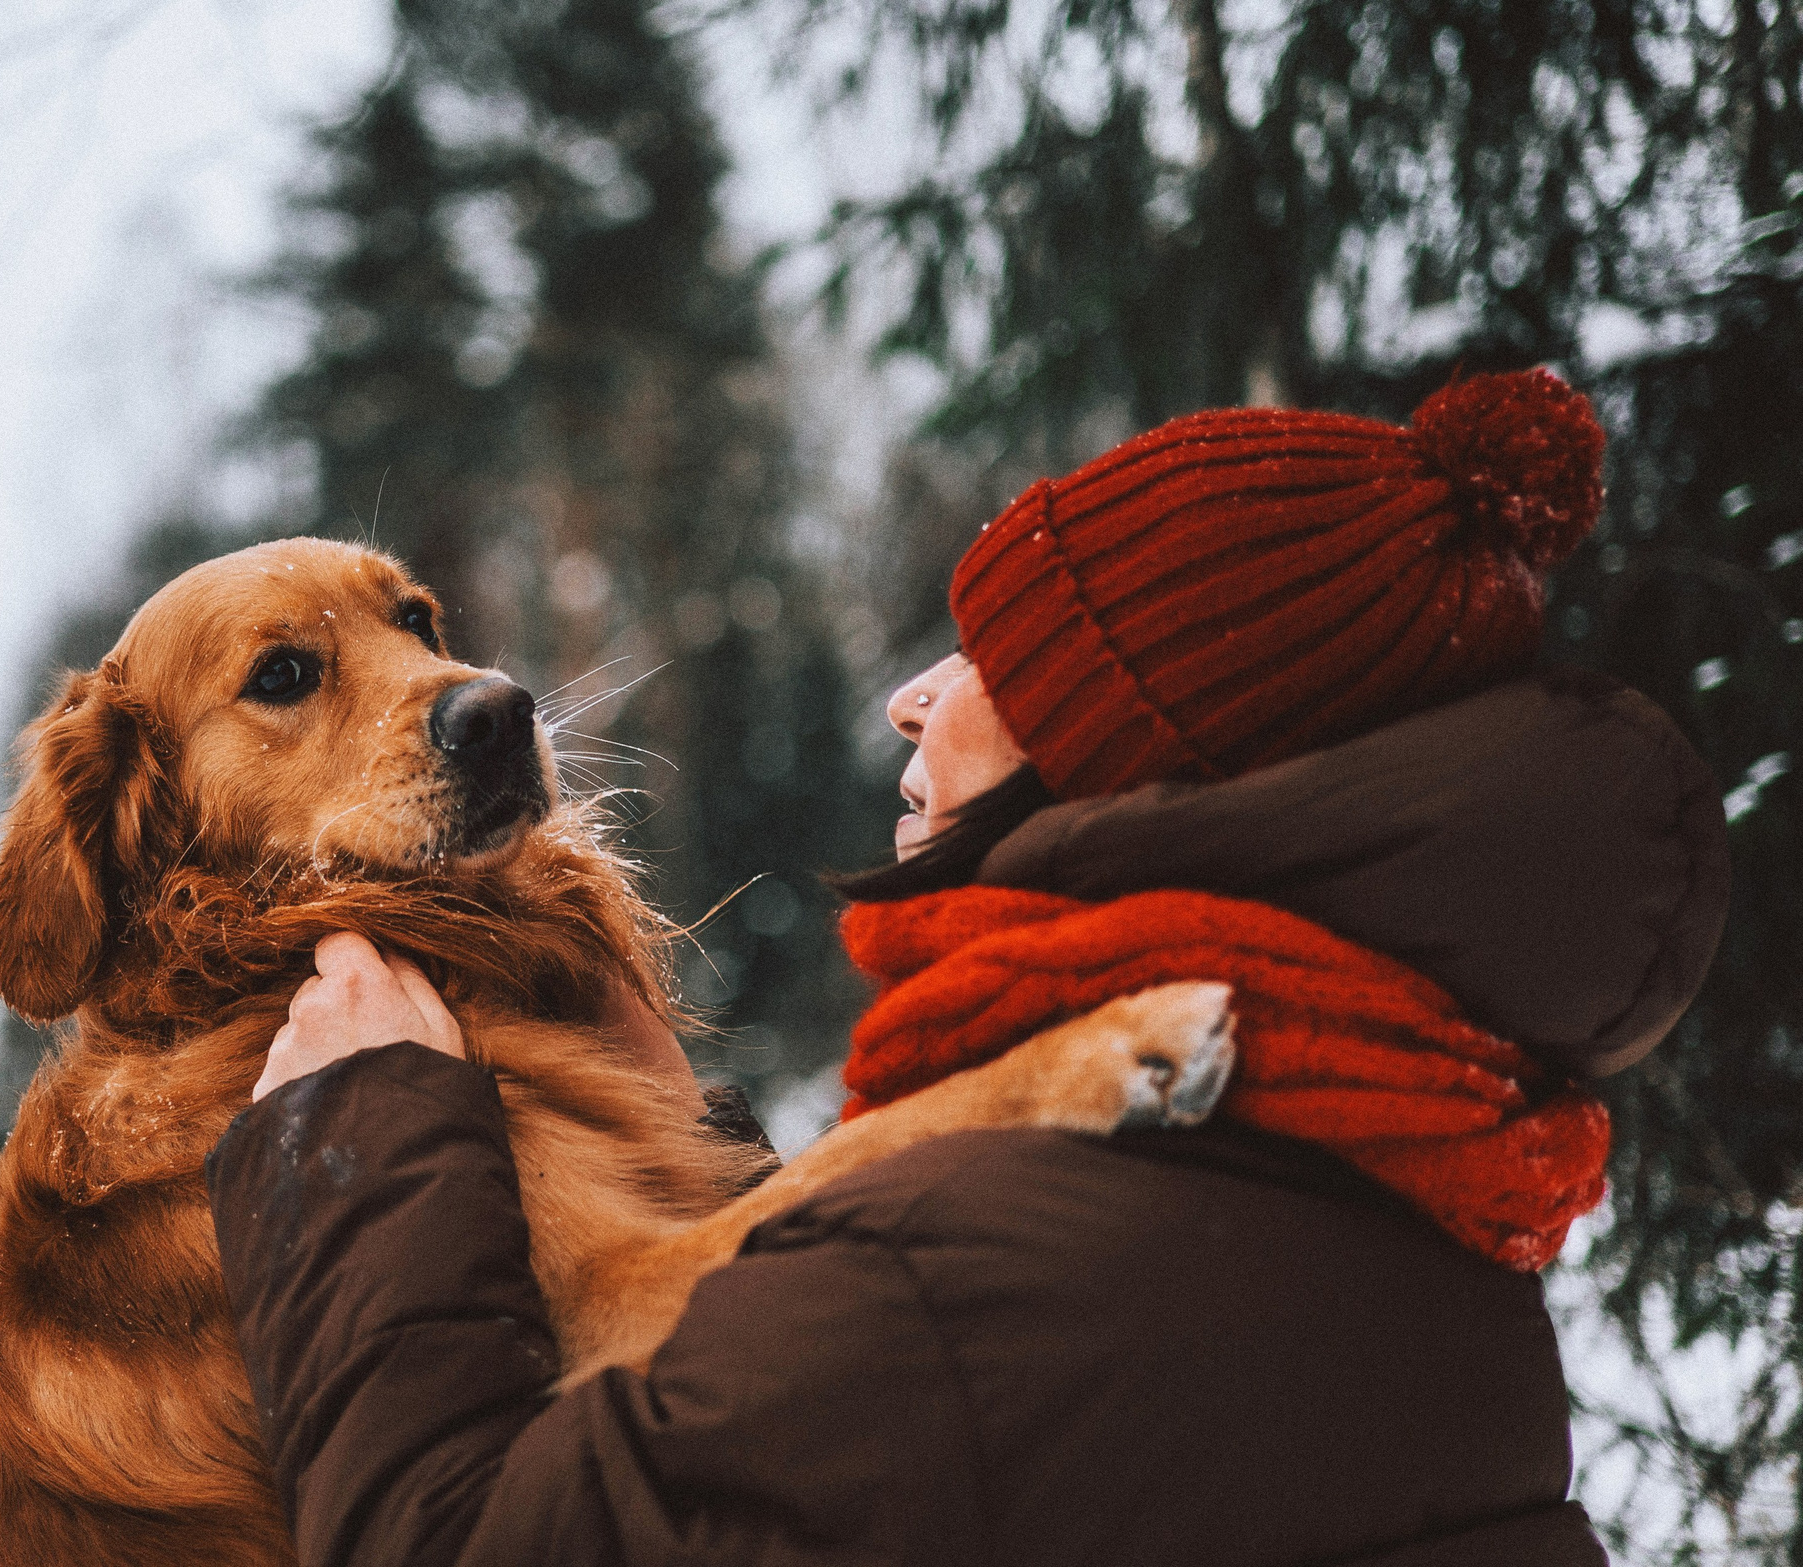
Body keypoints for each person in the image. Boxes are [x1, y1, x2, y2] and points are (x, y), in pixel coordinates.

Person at [205, 369, 1731, 1566]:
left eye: (1003, 661)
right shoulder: (1376, 1208)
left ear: (1137, 755)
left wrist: (372, 1161)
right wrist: (706, 1159)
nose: (912, 696)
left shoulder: (968, 1283)